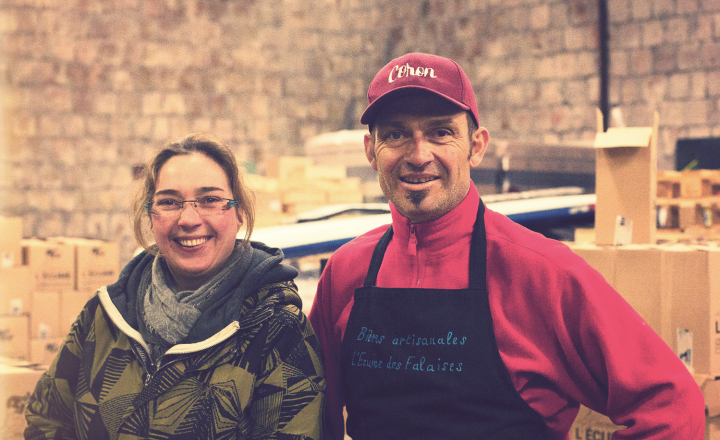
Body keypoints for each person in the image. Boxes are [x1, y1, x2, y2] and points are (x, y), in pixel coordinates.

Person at [308, 52, 704, 439]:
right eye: (395, 134)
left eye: (440, 132)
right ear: (370, 152)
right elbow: (311, 417)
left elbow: (672, 405)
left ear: (476, 147)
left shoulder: (542, 271)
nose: (418, 154)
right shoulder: (346, 273)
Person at [25, 134, 325, 439]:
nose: (189, 218)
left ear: (239, 214)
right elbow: (47, 422)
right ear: (150, 217)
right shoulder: (104, 315)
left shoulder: (277, 329)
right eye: (169, 202)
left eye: (210, 200)